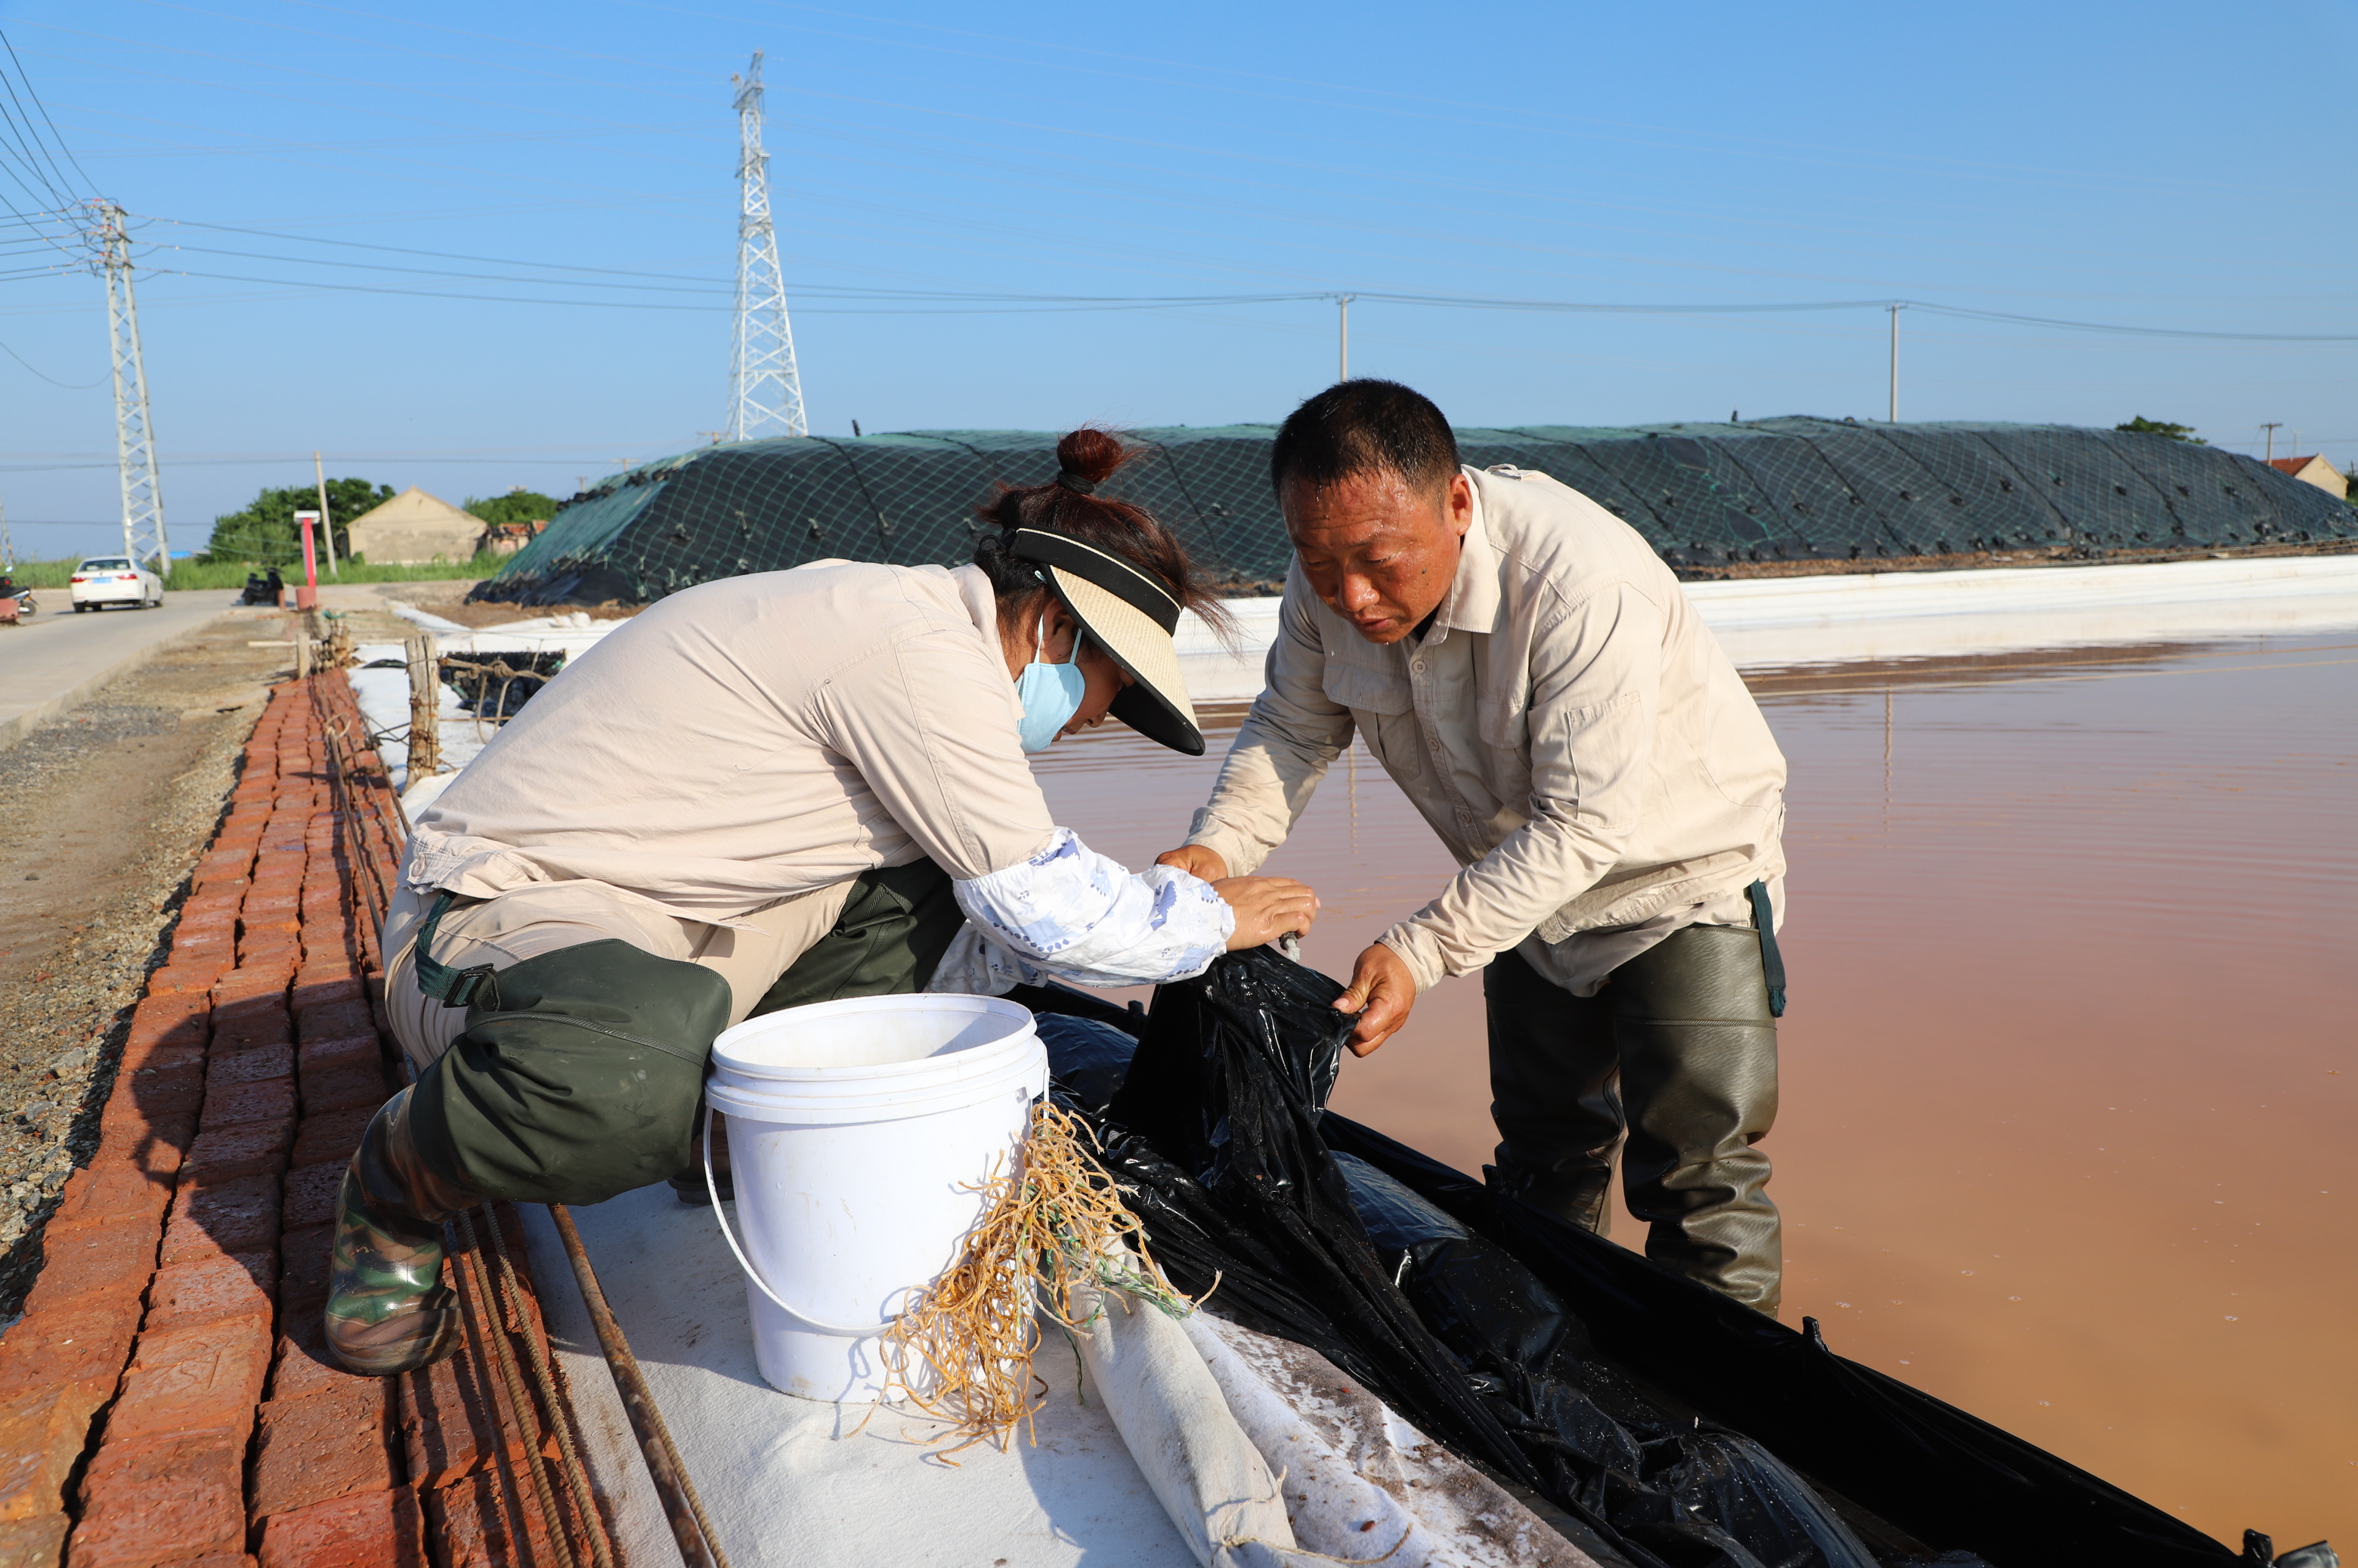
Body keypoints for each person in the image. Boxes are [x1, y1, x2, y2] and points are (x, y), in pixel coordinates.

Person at [332, 428, 1322, 1375]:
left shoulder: (928, 640)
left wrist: (1149, 913)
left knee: (942, 882)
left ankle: (720, 1139)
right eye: (1108, 688)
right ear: (1055, 624)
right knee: (629, 1072)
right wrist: (1212, 918)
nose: (1094, 720)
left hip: (678, 923)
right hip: (491, 915)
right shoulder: (918, 653)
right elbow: (1047, 905)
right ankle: (395, 1187)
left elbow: (1003, 911)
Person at [1157, 382, 1792, 1314]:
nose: (1352, 597)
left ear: (1457, 503)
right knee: (1542, 1156)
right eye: (1319, 562)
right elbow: (1292, 729)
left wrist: (1417, 951)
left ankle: (1733, 1397)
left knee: (1698, 1180)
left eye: (1380, 562)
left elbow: (1583, 823)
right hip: (1521, 889)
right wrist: (1214, 852)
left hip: (1681, 882)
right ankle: (1551, 1359)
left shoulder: (1578, 584)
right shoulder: (1324, 584)